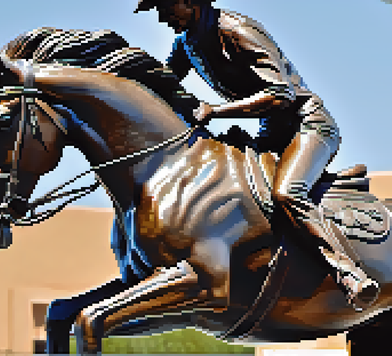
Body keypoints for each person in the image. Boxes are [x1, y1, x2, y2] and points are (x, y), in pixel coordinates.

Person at [135, 0, 375, 308]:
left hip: (308, 126)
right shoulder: (187, 43)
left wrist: (216, 111)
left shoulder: (237, 30)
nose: (161, 18)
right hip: (271, 133)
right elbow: (165, 85)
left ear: (190, 2)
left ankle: (349, 272)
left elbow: (281, 94)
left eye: (166, 7)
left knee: (288, 193)